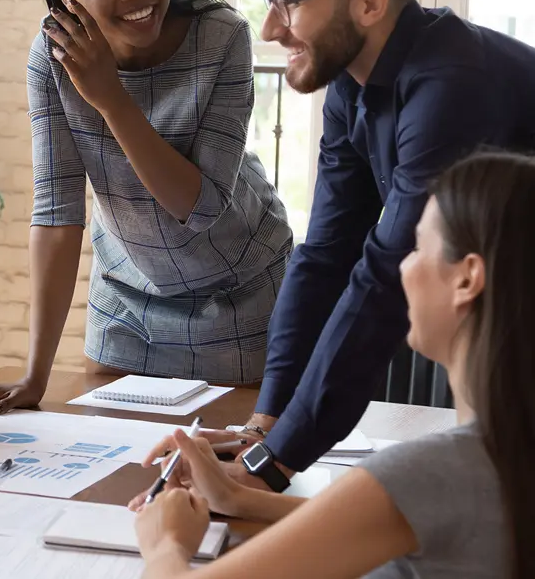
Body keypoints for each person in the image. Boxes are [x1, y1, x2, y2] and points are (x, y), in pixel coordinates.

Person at [0, 0, 292, 412]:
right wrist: (34, 377)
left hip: (244, 297)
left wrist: (111, 99)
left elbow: (198, 207)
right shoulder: (51, 58)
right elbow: (57, 215)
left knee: (226, 479)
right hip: (128, 303)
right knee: (107, 476)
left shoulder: (222, 36)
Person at [233, 0, 535, 484]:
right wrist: (262, 431)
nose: (269, 28)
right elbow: (325, 254)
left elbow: (386, 272)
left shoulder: (450, 85)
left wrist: (272, 466)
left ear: (370, 2)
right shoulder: (351, 83)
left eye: (289, 2)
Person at [132, 150, 534, 579]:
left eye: (418, 247)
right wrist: (239, 499)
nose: (402, 266)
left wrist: (165, 544)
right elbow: (391, 519)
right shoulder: (502, 457)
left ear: (467, 279)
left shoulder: (431, 471)